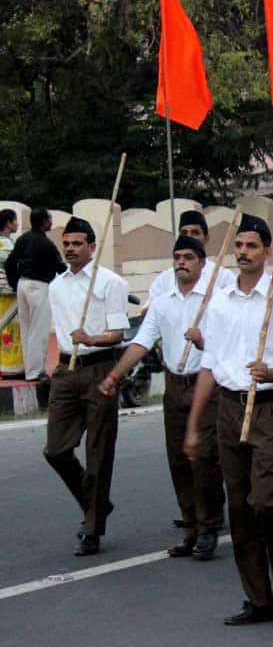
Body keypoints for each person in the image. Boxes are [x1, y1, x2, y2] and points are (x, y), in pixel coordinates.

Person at [183, 213, 273, 625]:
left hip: (272, 408)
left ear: (267, 252)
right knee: (239, 508)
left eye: (251, 246)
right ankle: (258, 599)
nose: (243, 253)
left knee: (267, 504)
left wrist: (271, 372)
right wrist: (193, 425)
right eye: (238, 246)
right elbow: (210, 365)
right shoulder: (221, 301)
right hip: (229, 407)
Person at [107, 235, 223, 560]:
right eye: (177, 257)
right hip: (175, 383)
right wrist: (116, 376)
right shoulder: (162, 302)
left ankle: (209, 526)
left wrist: (204, 341)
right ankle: (190, 527)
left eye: (188, 256)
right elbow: (142, 342)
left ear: (202, 263)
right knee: (177, 459)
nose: (181, 262)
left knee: (204, 458)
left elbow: (227, 349)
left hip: (208, 383)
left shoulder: (218, 300)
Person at [44, 216, 129, 556]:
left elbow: (118, 334)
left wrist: (91, 337)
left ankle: (93, 528)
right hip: (66, 370)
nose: (70, 249)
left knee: (97, 453)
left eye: (77, 243)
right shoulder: (56, 285)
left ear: (92, 247)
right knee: (56, 450)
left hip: (99, 369)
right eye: (66, 243)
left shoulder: (110, 283)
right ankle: (96, 504)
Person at [5, 206, 64, 380]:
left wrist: (15, 284)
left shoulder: (23, 239)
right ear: (45, 222)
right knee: (39, 331)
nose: (51, 221)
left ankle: (28, 368)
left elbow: (10, 264)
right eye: (50, 219)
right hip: (39, 287)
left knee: (26, 330)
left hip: (22, 285)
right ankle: (35, 372)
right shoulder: (47, 244)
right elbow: (61, 269)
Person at [148, 211, 235, 302]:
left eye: (195, 233)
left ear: (206, 239)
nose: (189, 237)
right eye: (184, 233)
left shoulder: (223, 276)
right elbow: (149, 310)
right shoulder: (164, 279)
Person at [0, 209, 21, 376]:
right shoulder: (7, 245)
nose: (17, 224)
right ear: (8, 223)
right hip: (8, 292)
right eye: (15, 221)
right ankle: (11, 368)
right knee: (11, 330)